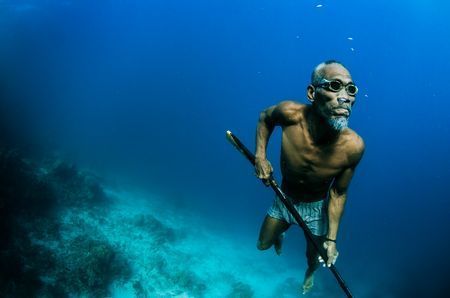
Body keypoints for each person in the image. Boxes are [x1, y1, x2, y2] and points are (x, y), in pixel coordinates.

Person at [254, 60, 365, 294]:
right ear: (312, 92)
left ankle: (309, 274)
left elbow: (338, 192)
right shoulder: (289, 113)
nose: (345, 97)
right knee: (262, 245)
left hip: (317, 209)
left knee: (314, 260)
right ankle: (281, 231)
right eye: (335, 86)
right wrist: (260, 156)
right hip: (283, 194)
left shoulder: (353, 146)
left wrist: (332, 241)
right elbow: (265, 117)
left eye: (351, 89)